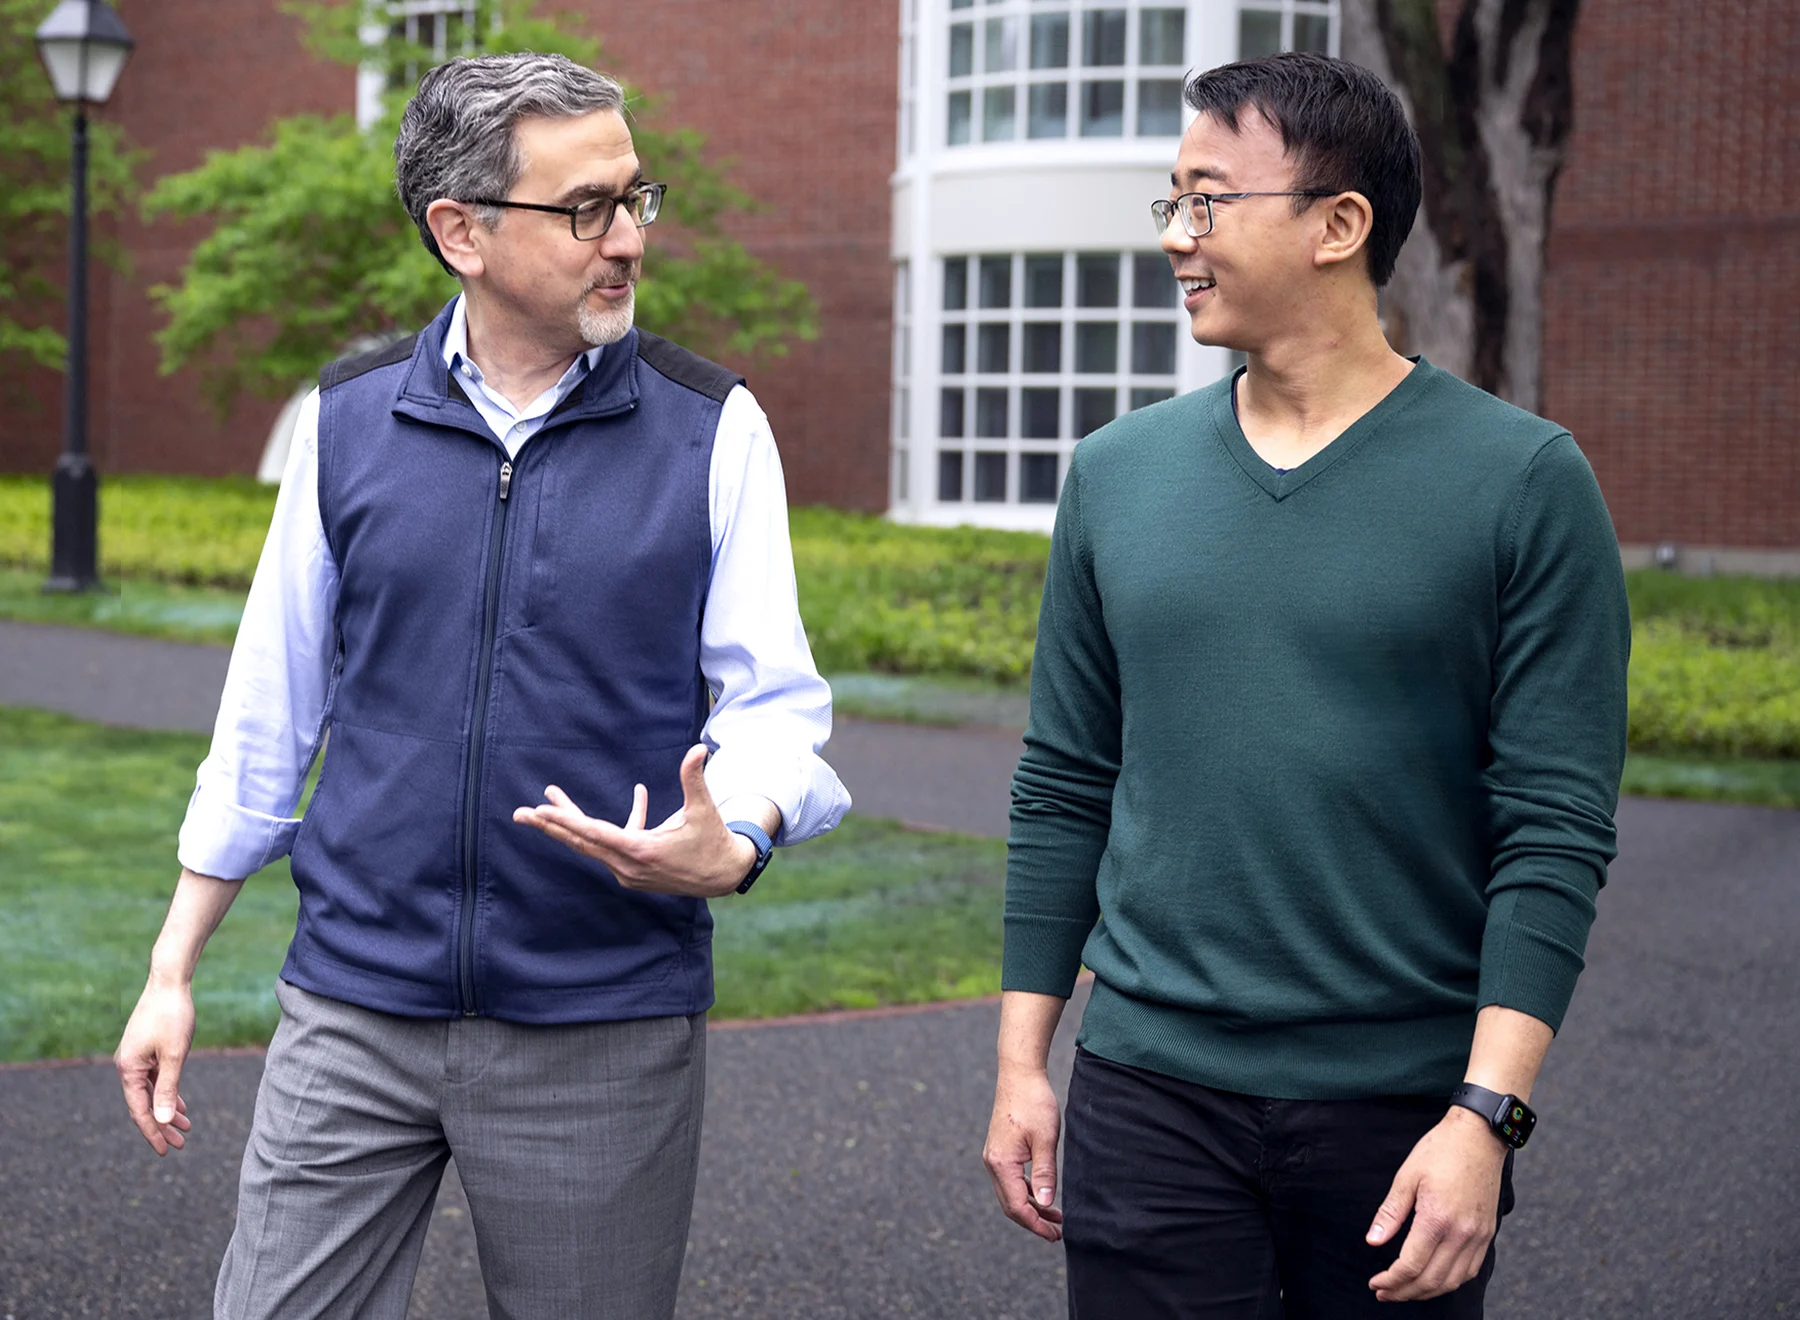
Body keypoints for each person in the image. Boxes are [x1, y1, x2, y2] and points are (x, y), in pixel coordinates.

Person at [114, 51, 849, 1320]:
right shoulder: (343, 419)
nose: (626, 239)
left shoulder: (712, 426)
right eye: (584, 209)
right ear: (460, 231)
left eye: (634, 198)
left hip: (603, 1025)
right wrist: (174, 964)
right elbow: (269, 713)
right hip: (350, 1008)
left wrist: (740, 834)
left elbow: (776, 705)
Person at [982, 51, 1628, 1318]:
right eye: (1171, 201)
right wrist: (1021, 1063)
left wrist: (1486, 1120)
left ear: (1341, 225)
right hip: (1149, 1097)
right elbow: (1065, 780)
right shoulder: (1116, 476)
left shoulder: (1525, 483)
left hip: (1401, 1119)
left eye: (1209, 199)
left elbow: (1554, 829)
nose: (1179, 236)